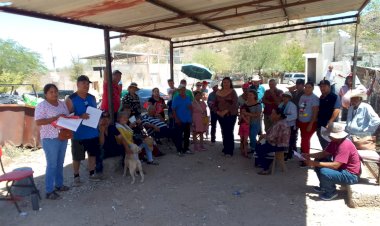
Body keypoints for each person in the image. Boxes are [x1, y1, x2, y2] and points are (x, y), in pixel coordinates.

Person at [303, 122, 360, 201]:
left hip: (351, 175)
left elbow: (336, 165)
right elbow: (324, 154)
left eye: (330, 135)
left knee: (324, 171)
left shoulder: (344, 145)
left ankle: (331, 192)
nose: (329, 136)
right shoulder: (335, 142)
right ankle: (324, 186)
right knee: (319, 161)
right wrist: (309, 155)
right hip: (343, 170)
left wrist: (314, 163)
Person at [35, 84, 70, 200]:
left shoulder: (62, 103)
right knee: (52, 165)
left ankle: (59, 185)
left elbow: (66, 116)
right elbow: (38, 122)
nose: (54, 94)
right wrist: (55, 118)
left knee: (60, 163)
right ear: (45, 94)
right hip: (49, 139)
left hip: (62, 136)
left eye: (55, 91)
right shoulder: (42, 106)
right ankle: (49, 191)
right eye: (51, 92)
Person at [65, 75, 102, 185]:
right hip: (78, 134)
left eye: (87, 84)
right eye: (83, 83)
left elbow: (94, 111)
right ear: (77, 84)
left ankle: (92, 173)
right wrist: (80, 116)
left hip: (93, 132)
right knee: (77, 157)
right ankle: (76, 176)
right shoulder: (71, 99)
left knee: (92, 154)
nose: (86, 86)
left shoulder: (92, 98)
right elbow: (67, 117)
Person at [256, 108, 290, 175]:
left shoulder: (279, 124)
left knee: (259, 147)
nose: (271, 115)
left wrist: (262, 137)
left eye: (273, 113)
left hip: (278, 145)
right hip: (278, 144)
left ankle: (265, 168)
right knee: (260, 143)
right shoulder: (281, 122)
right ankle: (264, 163)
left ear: (279, 115)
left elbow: (271, 138)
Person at [297, 82, 319, 167]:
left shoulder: (315, 98)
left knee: (305, 140)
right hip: (302, 122)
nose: (307, 89)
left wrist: (311, 124)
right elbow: (301, 108)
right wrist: (300, 119)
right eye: (306, 87)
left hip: (309, 123)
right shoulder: (302, 96)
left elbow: (315, 112)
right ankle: (303, 157)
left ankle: (306, 160)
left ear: (313, 88)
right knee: (303, 140)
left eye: (309, 87)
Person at [215, 77, 238, 157]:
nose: (226, 84)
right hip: (220, 115)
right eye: (224, 82)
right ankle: (225, 148)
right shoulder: (218, 92)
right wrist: (218, 111)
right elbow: (214, 104)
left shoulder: (233, 92)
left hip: (230, 115)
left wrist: (226, 111)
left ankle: (229, 150)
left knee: (229, 131)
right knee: (223, 131)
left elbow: (235, 104)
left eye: (227, 82)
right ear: (222, 83)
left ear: (230, 83)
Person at [317, 79, 341, 150]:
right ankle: (325, 156)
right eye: (321, 86)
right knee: (322, 141)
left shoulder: (334, 97)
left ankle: (329, 158)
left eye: (324, 86)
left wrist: (330, 122)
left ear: (329, 87)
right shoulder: (321, 97)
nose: (322, 88)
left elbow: (337, 110)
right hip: (320, 123)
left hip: (329, 125)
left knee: (329, 143)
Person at [172, 84, 193, 156]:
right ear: (179, 91)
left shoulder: (188, 97)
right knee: (179, 136)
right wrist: (176, 119)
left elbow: (191, 107)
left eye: (184, 89)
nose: (183, 91)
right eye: (181, 89)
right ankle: (179, 150)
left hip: (187, 119)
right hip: (180, 119)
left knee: (187, 135)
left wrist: (190, 108)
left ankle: (186, 149)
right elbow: (173, 109)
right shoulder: (176, 98)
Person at [278, 91, 298, 160]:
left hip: (290, 126)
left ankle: (290, 155)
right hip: (283, 126)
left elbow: (295, 116)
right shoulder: (281, 104)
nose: (284, 98)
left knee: (290, 141)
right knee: (284, 141)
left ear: (289, 98)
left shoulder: (292, 105)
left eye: (286, 97)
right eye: (284, 96)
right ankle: (284, 154)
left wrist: (285, 117)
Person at [244, 90, 262, 154]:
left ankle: (254, 148)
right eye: (248, 95)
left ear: (255, 96)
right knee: (250, 136)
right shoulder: (246, 103)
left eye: (251, 95)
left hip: (255, 123)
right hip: (247, 122)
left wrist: (247, 114)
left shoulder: (258, 104)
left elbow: (257, 115)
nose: (249, 96)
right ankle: (254, 148)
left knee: (252, 135)